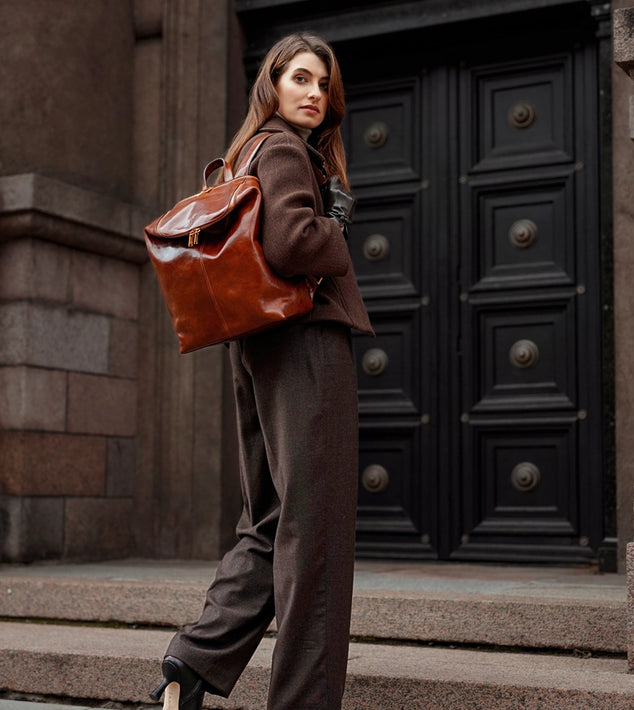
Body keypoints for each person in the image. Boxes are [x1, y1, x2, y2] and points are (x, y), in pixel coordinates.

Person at [149, 32, 373, 710]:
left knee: (271, 520)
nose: (313, 93)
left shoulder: (244, 152)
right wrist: (334, 225)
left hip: (258, 347)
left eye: (322, 85)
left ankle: (191, 665)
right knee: (317, 530)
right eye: (299, 78)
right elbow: (291, 241)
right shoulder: (281, 148)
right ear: (270, 85)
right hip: (303, 344)